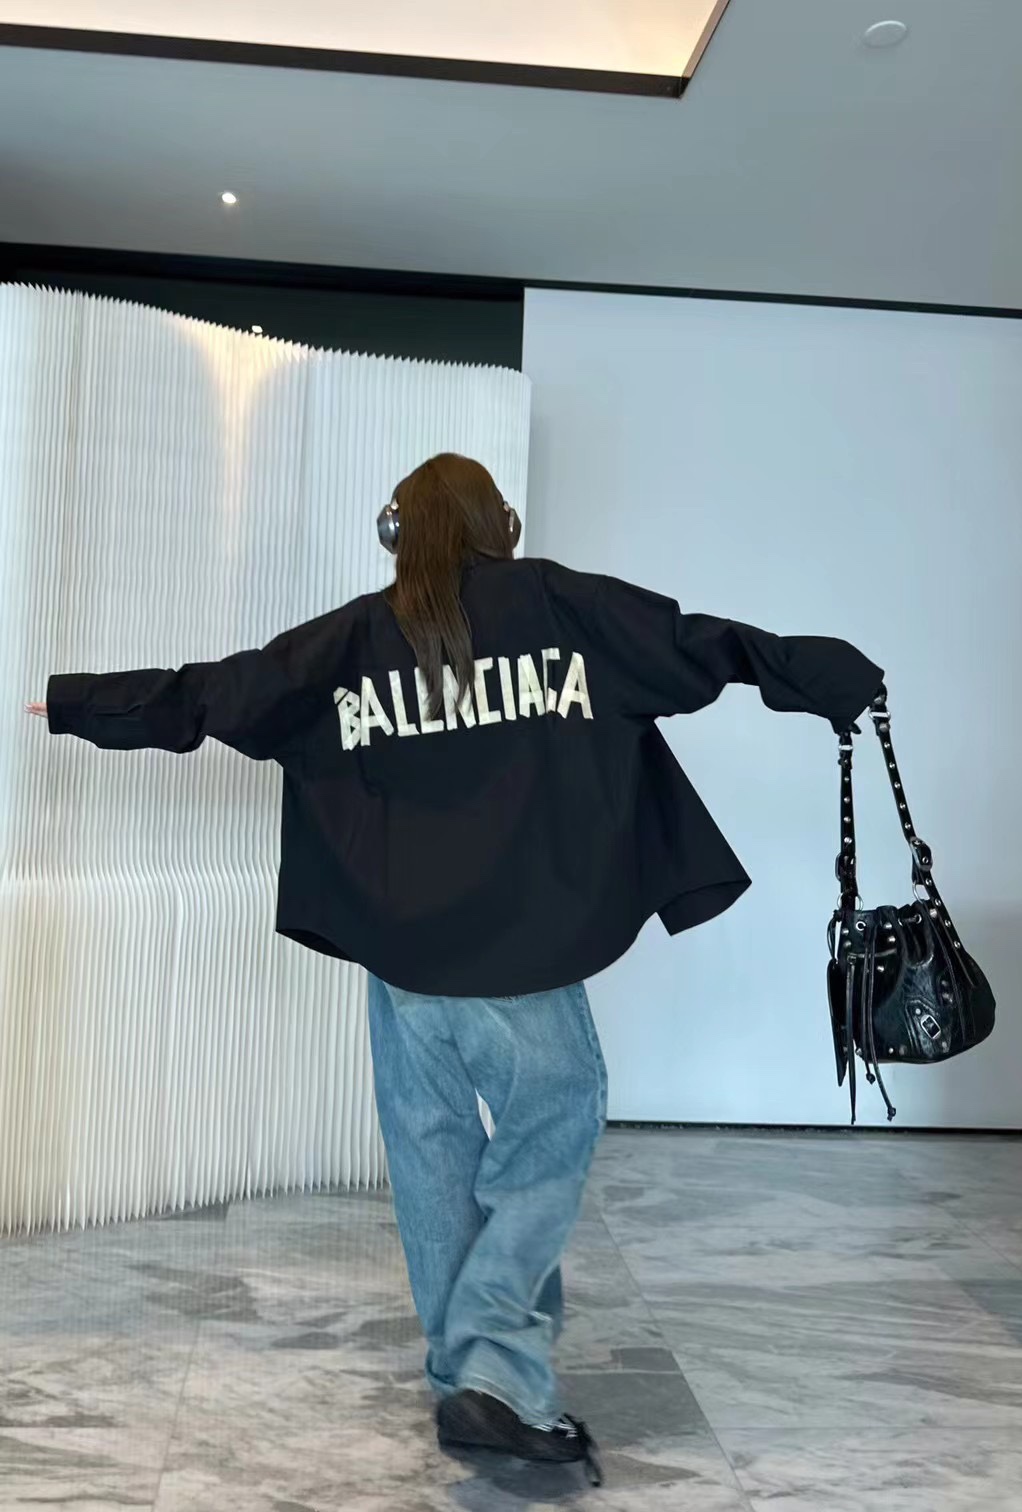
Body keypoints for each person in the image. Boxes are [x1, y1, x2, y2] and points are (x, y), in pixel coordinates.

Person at [28, 452, 883, 1488]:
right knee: (548, 1134)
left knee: (431, 1157)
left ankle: (464, 1379)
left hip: (405, 960)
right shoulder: (561, 607)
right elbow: (698, 646)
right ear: (500, 526)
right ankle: (496, 1373)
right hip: (520, 952)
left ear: (398, 532)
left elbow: (219, 694)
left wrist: (72, 703)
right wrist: (823, 675)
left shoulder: (354, 639)